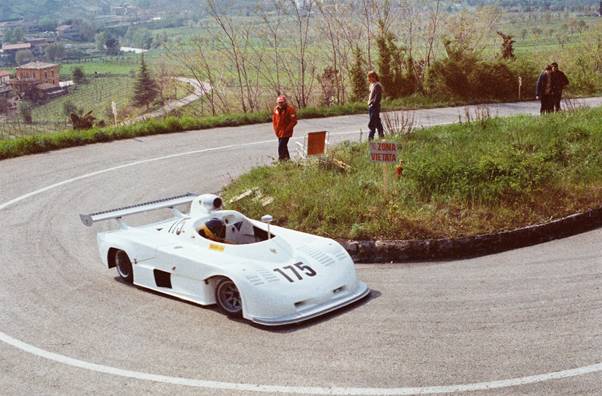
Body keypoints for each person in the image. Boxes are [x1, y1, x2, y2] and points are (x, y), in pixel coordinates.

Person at [272, 95, 297, 161]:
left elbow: (294, 121)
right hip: (279, 132)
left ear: (285, 102)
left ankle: (281, 160)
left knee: (281, 147)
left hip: (286, 132)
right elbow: (274, 120)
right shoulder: (276, 109)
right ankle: (288, 160)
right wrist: (275, 129)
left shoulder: (290, 109)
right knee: (284, 147)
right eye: (279, 102)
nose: (280, 104)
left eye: (282, 102)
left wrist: (287, 129)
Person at [367, 71, 384, 140]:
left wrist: (372, 103)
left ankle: (370, 138)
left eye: (371, 77)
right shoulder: (372, 85)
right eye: (369, 77)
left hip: (374, 107)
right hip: (371, 106)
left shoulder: (377, 85)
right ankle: (381, 136)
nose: (369, 79)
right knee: (377, 122)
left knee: (372, 122)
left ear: (374, 77)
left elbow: (377, 97)